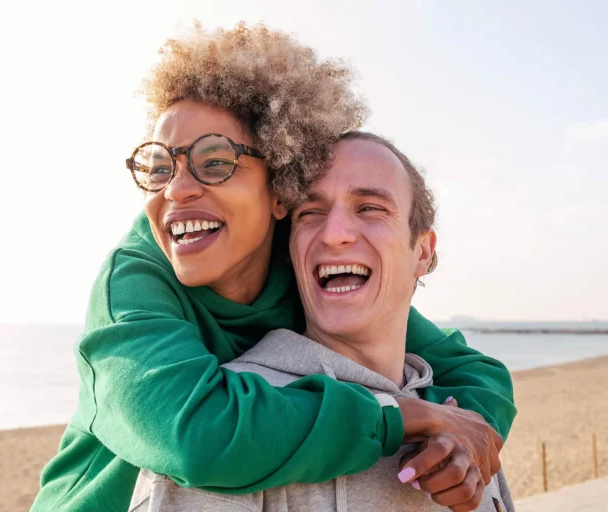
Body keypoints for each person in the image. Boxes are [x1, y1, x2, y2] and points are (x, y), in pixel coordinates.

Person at [33, 24, 516, 512]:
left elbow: (471, 371)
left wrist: (462, 436)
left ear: (280, 188)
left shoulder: (302, 260)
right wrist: (403, 417)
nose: (176, 190)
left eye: (215, 161)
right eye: (160, 167)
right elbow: (195, 434)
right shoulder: (134, 281)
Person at [130, 132, 515, 512]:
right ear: (290, 249)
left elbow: (479, 371)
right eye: (310, 214)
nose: (334, 235)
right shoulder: (231, 431)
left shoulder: (463, 423)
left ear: (423, 251)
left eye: (369, 208)